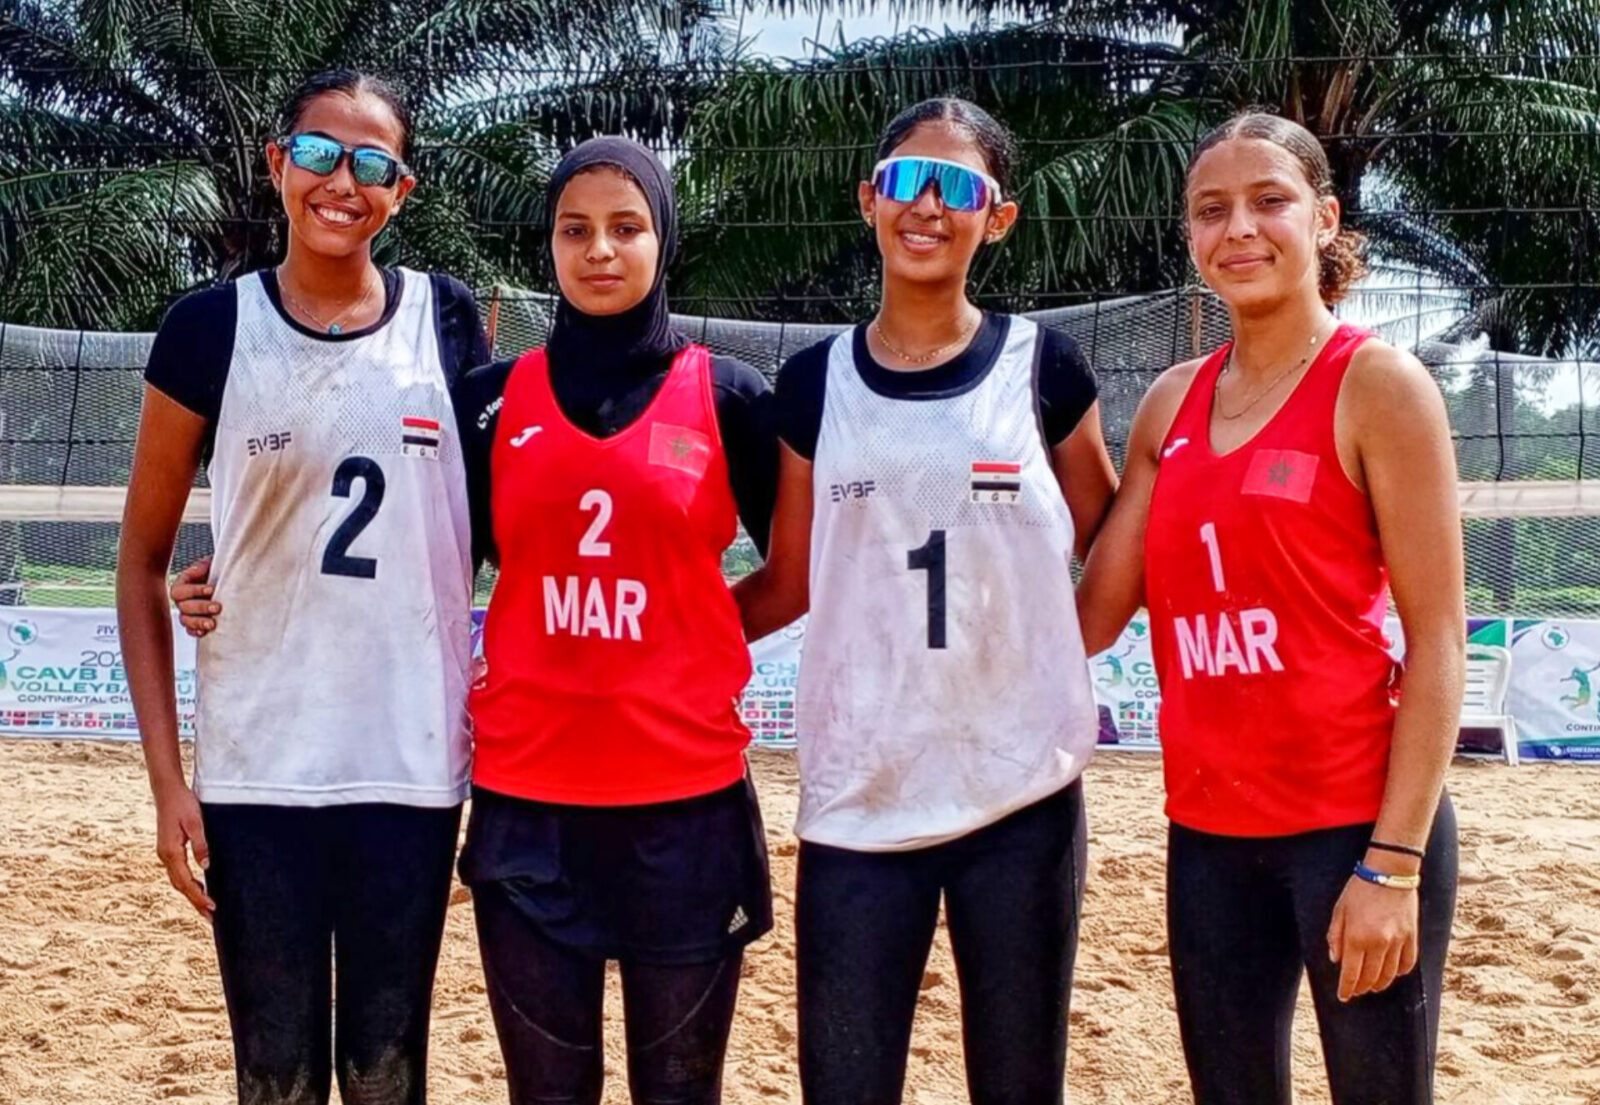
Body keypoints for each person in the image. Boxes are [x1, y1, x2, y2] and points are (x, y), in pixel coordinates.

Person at [735, 98, 1118, 1105]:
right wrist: (661, 644)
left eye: (959, 187)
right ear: (870, 198)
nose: (928, 206)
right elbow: (790, 577)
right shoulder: (812, 383)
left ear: (999, 217)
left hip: (1019, 792)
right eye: (907, 179)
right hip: (861, 791)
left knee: (1018, 1083)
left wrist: (1051, 653)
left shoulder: (1044, 369)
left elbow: (1112, 545)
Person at [1076, 110, 1464, 1105]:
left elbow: (1438, 639)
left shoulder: (1377, 386)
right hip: (1209, 831)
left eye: (1268, 201)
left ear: (1324, 218)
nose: (1238, 228)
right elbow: (1092, 617)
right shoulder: (1170, 402)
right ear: (1189, 235)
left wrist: (1392, 863)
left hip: (1353, 826)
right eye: (1211, 210)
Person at [117, 70, 487, 1105]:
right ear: (279, 163)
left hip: (408, 764)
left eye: (372, 163)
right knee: (274, 1077)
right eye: (319, 153)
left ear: (401, 189)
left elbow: (483, 527)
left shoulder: (448, 321)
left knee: (384, 1073)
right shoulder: (208, 328)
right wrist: (168, 783)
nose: (342, 182)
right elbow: (141, 562)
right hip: (259, 766)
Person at [450, 137, 777, 1105]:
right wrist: (228, 575)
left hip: (686, 802)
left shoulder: (730, 394)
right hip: (528, 801)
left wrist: (690, 633)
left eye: (626, 227)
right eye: (575, 229)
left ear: (662, 239)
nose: (599, 249)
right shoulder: (489, 403)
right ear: (549, 244)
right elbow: (425, 568)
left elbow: (798, 572)